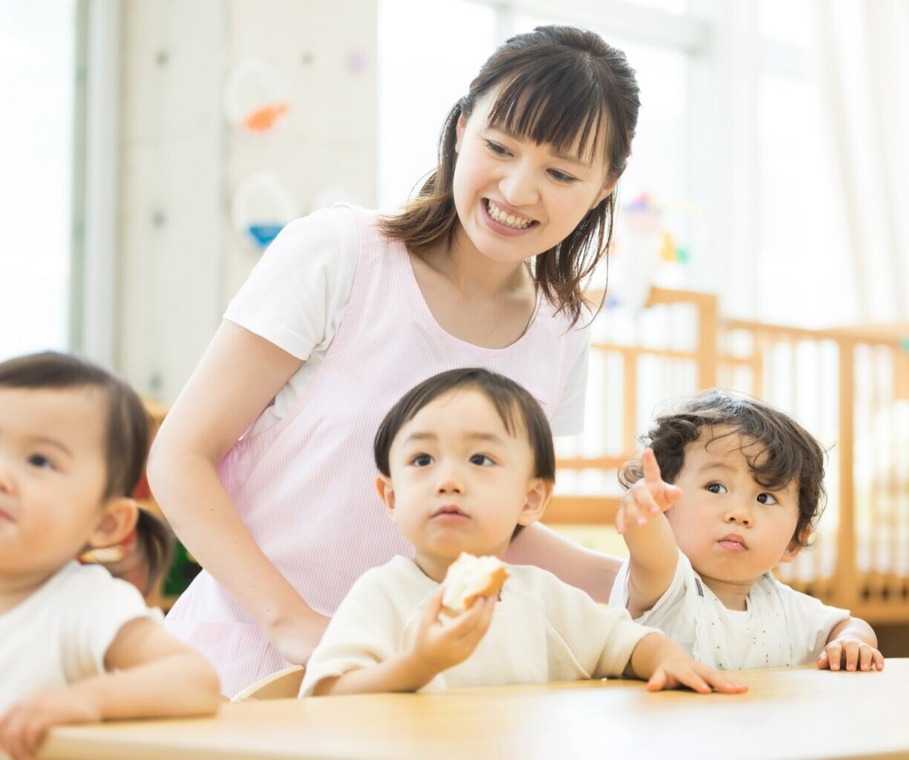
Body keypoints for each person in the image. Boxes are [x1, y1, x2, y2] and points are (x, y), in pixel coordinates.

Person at [146, 25, 642, 696]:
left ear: (604, 186)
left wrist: (669, 582)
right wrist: (291, 622)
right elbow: (180, 456)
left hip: (420, 696)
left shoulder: (563, 326)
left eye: (560, 172)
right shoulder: (341, 253)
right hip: (246, 670)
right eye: (499, 147)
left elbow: (498, 529)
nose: (519, 189)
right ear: (462, 128)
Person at [298, 368, 745, 697]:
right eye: (422, 460)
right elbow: (326, 698)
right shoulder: (382, 594)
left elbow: (624, 642)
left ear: (531, 499)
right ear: (391, 497)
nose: (448, 480)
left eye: (479, 460)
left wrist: (668, 659)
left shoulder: (540, 596)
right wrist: (417, 665)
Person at [0, 352, 220, 760]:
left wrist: (89, 700)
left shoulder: (81, 604)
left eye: (39, 460)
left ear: (105, 523)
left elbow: (194, 679)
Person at [610, 390, 885, 672]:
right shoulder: (668, 583)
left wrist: (851, 641)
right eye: (715, 487)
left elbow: (848, 624)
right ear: (667, 509)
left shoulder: (783, 606)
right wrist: (645, 513)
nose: (739, 514)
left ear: (795, 541)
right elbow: (649, 550)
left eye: (765, 497)